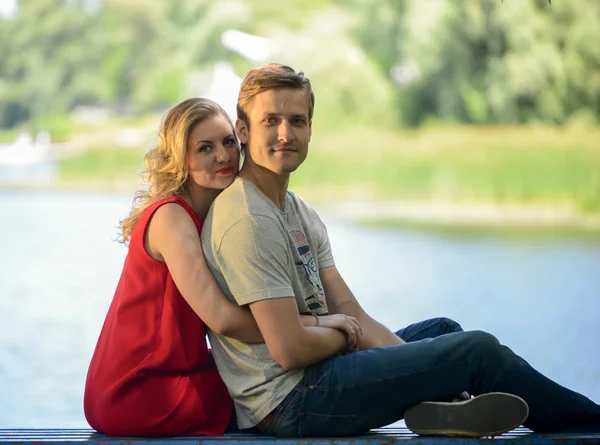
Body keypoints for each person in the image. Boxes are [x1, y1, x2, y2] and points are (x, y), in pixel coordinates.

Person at [200, 63, 600, 438]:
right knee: (474, 353)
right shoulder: (248, 217)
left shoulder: (297, 210)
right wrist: (345, 335)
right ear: (244, 130)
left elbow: (352, 313)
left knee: (442, 333)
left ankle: (444, 408)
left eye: (297, 121)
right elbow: (290, 349)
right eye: (271, 121)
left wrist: (421, 364)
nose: (286, 133)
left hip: (323, 369)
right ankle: (591, 421)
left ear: (310, 129)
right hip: (287, 402)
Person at [83, 97, 362, 437]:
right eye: (205, 148)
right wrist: (318, 324)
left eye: (229, 142)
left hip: (181, 372)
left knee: (292, 378)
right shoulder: (172, 217)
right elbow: (223, 319)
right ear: (181, 159)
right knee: (280, 393)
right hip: (141, 389)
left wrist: (308, 333)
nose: (223, 156)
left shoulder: (216, 217)